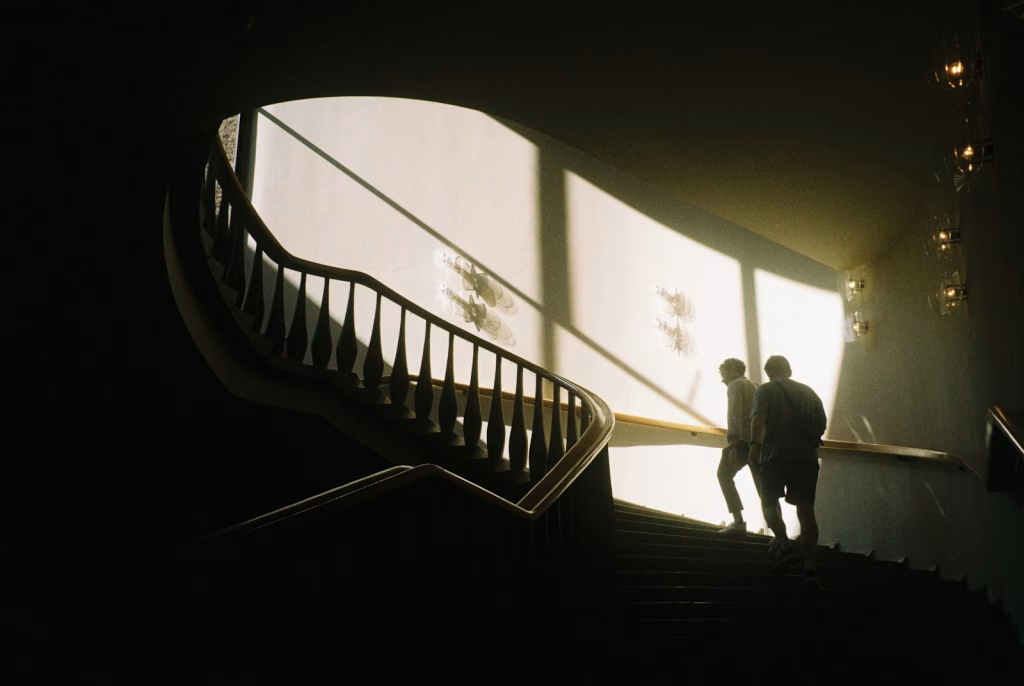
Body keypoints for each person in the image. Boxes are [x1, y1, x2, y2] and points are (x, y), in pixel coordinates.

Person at [748, 355, 827, 589]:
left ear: (769, 373)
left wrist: (753, 445)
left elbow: (758, 420)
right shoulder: (809, 393)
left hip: (775, 456)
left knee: (769, 503)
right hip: (806, 459)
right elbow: (820, 426)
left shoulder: (765, 391)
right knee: (806, 510)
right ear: (789, 370)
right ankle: (810, 567)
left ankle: (784, 544)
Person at [716, 358, 760, 534]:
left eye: (723, 373)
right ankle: (779, 534)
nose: (722, 379)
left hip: (742, 442)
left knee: (723, 474)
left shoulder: (734, 386)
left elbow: (734, 416)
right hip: (760, 443)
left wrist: (733, 447)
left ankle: (738, 521)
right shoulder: (757, 386)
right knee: (762, 487)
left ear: (734, 369)